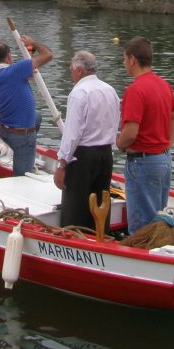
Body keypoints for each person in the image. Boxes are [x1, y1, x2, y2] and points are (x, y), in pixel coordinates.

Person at [116, 36, 174, 234]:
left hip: (142, 162)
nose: (124, 63)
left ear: (133, 60)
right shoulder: (163, 85)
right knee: (158, 218)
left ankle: (143, 256)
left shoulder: (135, 90)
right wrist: (166, 143)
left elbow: (131, 132)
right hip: (163, 159)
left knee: (141, 225)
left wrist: (119, 144)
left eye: (125, 59)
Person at [54, 51, 120, 231]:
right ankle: (101, 237)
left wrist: (61, 164)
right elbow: (114, 122)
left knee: (75, 208)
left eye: (70, 70)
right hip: (105, 154)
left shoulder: (79, 93)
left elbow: (72, 133)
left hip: (83, 156)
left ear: (78, 70)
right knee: (100, 204)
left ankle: (75, 241)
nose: (71, 74)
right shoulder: (109, 90)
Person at [0, 34, 53, 175]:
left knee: (37, 116)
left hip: (4, 130)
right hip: (20, 135)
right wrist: (33, 43)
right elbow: (48, 55)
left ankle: (23, 151)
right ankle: (23, 161)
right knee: (22, 177)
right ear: (8, 58)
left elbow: (21, 77)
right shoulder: (16, 71)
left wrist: (27, 70)